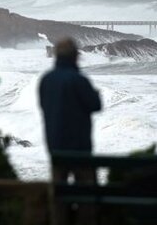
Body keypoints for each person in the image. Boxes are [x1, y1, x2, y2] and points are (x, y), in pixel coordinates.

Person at [39, 38, 102, 225]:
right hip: (80, 148)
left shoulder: (46, 80)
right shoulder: (79, 80)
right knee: (86, 197)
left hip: (55, 147)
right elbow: (95, 105)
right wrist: (96, 93)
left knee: (58, 197)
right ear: (75, 57)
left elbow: (44, 107)